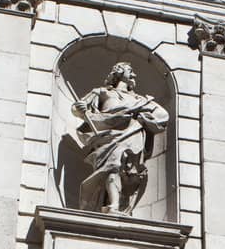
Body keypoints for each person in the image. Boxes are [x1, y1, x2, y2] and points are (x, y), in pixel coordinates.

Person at [70, 62, 169, 214]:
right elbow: (78, 108)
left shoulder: (140, 99)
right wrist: (80, 108)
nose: (134, 75)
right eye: (130, 70)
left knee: (125, 170)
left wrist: (144, 118)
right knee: (113, 165)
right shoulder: (101, 92)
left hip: (132, 133)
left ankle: (117, 204)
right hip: (107, 136)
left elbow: (163, 116)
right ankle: (113, 206)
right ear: (119, 71)